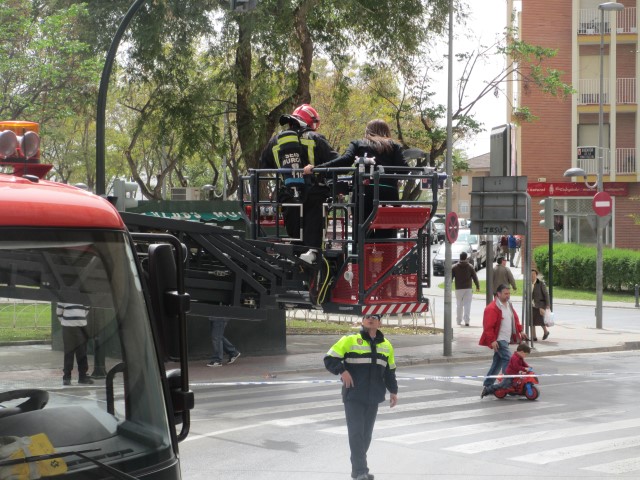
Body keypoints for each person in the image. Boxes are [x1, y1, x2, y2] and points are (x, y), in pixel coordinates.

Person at [304, 119, 408, 239]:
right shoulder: (394, 146)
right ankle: (386, 255)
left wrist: (317, 169)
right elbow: (404, 169)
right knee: (387, 236)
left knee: (361, 233)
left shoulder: (358, 143)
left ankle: (362, 255)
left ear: (367, 131)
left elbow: (345, 161)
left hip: (364, 193)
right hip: (389, 195)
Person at [259, 104, 338, 263]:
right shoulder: (315, 138)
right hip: (315, 195)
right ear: (309, 121)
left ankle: (297, 258)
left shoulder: (276, 141)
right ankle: (312, 255)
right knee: (313, 238)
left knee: (296, 237)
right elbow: (336, 163)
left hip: (288, 196)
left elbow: (262, 166)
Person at [324, 313, 398, 480]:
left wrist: (393, 391)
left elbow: (390, 371)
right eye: (366, 316)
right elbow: (329, 359)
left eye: (374, 317)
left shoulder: (386, 346)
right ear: (363, 320)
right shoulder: (349, 340)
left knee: (366, 435)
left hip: (374, 397)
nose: (370, 319)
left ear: (379, 322)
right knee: (356, 433)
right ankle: (362, 471)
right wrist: (342, 371)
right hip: (354, 395)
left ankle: (357, 469)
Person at [479, 284, 528, 398]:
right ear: (498, 294)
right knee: (509, 359)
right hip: (499, 339)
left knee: (497, 362)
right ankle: (507, 383)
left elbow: (515, 319)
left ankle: (488, 384)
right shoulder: (492, 308)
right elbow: (488, 326)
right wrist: (492, 340)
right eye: (505, 294)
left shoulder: (509, 305)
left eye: (509, 293)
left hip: (505, 339)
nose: (508, 296)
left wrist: (520, 331)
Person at [57, 302, 94, 386]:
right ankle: (67, 378)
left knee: (82, 353)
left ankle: (82, 377)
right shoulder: (64, 296)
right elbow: (59, 312)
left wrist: (78, 321)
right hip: (68, 328)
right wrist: (66, 322)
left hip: (81, 327)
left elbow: (86, 309)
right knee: (69, 353)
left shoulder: (83, 297)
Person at [451, 251, 480, 326]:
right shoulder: (470, 266)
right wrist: (477, 286)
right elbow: (475, 277)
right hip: (468, 288)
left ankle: (458, 321)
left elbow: (450, 278)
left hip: (458, 288)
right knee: (467, 305)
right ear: (466, 257)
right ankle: (467, 321)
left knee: (459, 304)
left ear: (459, 257)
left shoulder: (454, 267)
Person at [531, 268, 551, 341]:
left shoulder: (541, 283)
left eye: (533, 274)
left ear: (536, 275)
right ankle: (534, 337)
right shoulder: (528, 283)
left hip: (540, 305)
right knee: (531, 321)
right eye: (531, 275)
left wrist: (548, 305)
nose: (532, 276)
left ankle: (546, 332)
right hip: (532, 305)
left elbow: (546, 294)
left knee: (540, 320)